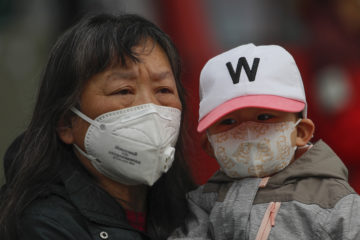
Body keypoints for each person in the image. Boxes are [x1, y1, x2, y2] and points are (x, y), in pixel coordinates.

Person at [0, 13, 196, 240]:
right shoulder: (42, 225)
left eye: (164, 90)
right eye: (123, 90)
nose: (150, 107)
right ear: (66, 123)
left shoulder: (193, 210)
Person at [169, 43, 360, 239]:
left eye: (264, 117)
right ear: (210, 145)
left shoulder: (336, 202)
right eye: (229, 122)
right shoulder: (202, 204)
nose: (248, 132)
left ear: (301, 132)